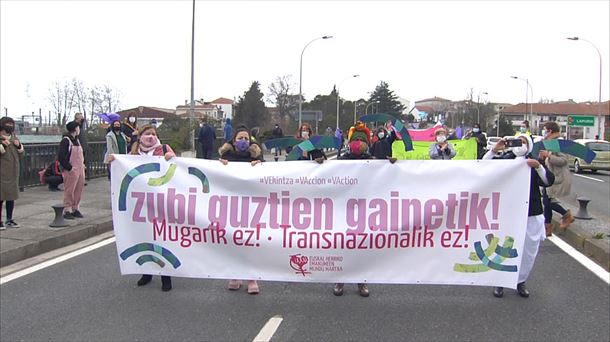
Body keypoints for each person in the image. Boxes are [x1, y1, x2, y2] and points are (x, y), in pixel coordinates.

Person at [484, 134, 554, 298]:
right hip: (509, 212)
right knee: (504, 247)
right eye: (517, 142)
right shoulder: (506, 160)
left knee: (528, 250)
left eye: (523, 142)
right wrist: (495, 150)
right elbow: (484, 167)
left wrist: (538, 166)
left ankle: (520, 281)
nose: (519, 145)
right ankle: (500, 281)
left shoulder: (534, 163)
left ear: (529, 145)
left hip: (531, 212)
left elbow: (547, 181)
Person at [108, 124, 176, 292]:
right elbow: (123, 172)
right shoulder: (133, 154)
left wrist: (171, 158)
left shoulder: (164, 149)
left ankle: (165, 275)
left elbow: (177, 169)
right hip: (140, 204)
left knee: (161, 239)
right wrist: (114, 162)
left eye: (153, 134)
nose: (151, 137)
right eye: (147, 134)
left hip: (160, 203)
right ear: (140, 136)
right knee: (143, 237)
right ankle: (146, 272)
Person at [333, 122, 397, 298]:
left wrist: (391, 164)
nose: (358, 144)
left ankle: (362, 281)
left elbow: (385, 174)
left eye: (361, 141)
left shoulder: (372, 160)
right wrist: (320, 163)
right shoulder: (342, 160)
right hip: (343, 209)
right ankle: (340, 279)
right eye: (355, 141)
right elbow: (327, 174)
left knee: (362, 247)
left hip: (364, 210)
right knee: (343, 245)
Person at [218, 125, 263, 294]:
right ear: (233, 140)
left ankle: (251, 278)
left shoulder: (256, 156)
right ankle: (235, 275)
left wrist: (259, 165)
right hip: (231, 205)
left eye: (246, 138)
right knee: (233, 240)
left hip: (251, 205)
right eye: (240, 138)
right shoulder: (226, 156)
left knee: (249, 241)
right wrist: (220, 165)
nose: (243, 141)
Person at [538, 121, 574, 236]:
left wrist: (548, 155)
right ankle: (547, 227)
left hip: (558, 178)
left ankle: (566, 215)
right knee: (546, 200)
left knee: (549, 201)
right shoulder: (551, 143)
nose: (544, 132)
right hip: (551, 176)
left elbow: (563, 161)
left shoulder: (559, 144)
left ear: (550, 130)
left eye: (545, 130)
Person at [58, 121, 86, 220]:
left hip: (80, 168)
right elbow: (61, 157)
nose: (79, 130)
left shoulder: (77, 140)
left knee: (79, 188)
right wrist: (69, 168)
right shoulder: (66, 140)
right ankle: (67, 209)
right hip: (71, 169)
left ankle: (75, 208)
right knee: (69, 189)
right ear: (75, 129)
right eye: (78, 127)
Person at [0, 117, 24, 230]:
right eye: (7, 124)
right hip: (2, 173)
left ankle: (9, 219)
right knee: (1, 197)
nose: (10, 126)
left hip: (13, 173)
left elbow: (21, 154)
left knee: (11, 197)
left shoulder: (14, 138)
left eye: (11, 124)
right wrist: (3, 145)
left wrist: (19, 146)